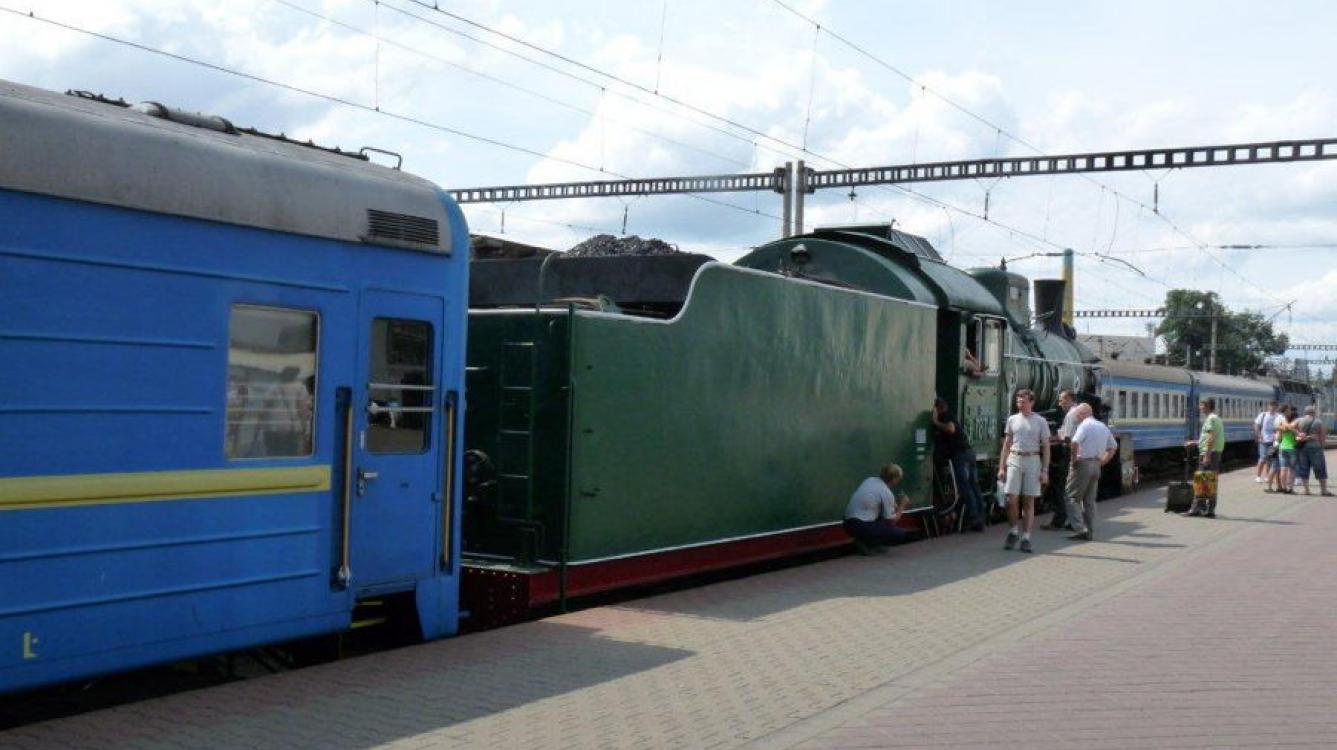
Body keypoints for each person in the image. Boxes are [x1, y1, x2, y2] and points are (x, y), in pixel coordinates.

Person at [996, 389, 1051, 553]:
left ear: (1032, 403)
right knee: (1010, 499)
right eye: (1018, 401)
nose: (1020, 404)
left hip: (1033, 459)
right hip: (1014, 458)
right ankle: (1013, 531)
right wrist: (1001, 467)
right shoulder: (1012, 419)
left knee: (1028, 501)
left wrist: (1045, 470)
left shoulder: (1040, 421)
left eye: (1024, 401)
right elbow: (1006, 444)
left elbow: (1046, 447)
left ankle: (1026, 537)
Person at [1062, 404, 1118, 541]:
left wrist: (1074, 459)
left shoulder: (1085, 425)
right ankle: (1090, 531)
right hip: (1096, 465)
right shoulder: (1102, 426)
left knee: (1071, 497)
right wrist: (1102, 462)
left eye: (1077, 415)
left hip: (1083, 463)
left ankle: (1080, 529)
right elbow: (1113, 447)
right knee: (1089, 501)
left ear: (1084, 413)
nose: (1076, 418)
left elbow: (1074, 442)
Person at [932, 398, 986, 532]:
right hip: (968, 453)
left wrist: (935, 422)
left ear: (937, 408)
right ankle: (981, 515)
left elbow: (950, 428)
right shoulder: (949, 415)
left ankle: (974, 517)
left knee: (965, 486)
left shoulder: (945, 416)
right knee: (973, 485)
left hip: (960, 455)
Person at [843, 463, 913, 553]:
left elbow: (872, 501)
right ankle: (869, 544)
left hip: (847, 523)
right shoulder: (886, 492)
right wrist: (902, 505)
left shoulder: (869, 480)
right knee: (899, 534)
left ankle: (866, 542)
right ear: (894, 479)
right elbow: (892, 521)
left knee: (879, 518)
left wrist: (893, 505)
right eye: (899, 479)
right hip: (862, 525)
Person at [1042, 389, 1080, 531]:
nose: (1059, 403)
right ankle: (1072, 520)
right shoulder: (1075, 413)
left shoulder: (1071, 414)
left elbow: (1066, 437)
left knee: (1060, 488)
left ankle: (1060, 520)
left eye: (1062, 400)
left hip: (1069, 453)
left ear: (1070, 399)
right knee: (1071, 490)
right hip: (1074, 453)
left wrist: (1044, 439)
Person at [1184, 397, 1225, 517]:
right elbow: (1208, 438)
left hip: (1210, 453)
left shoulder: (1211, 419)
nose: (1200, 408)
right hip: (1213, 452)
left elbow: (1211, 438)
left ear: (1207, 406)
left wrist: (1207, 455)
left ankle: (1196, 508)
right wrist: (1195, 442)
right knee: (1210, 480)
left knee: (1201, 480)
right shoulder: (1215, 418)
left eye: (1201, 406)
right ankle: (1209, 509)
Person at [1295, 405, 1333, 496]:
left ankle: (1306, 490)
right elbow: (1323, 435)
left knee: (1304, 468)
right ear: (1313, 413)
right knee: (1320, 468)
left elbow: (1290, 426)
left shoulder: (1299, 420)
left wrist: (1299, 434)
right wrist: (1322, 446)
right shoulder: (1319, 422)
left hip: (1302, 447)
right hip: (1315, 447)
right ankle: (1323, 490)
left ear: (1305, 412)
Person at [1275, 405, 1299, 495]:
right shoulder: (1296, 424)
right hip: (1292, 448)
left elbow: (1278, 437)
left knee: (1283, 469)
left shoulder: (1281, 425)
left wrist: (1283, 427)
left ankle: (1284, 488)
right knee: (1292, 469)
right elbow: (1298, 435)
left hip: (1282, 447)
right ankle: (1290, 488)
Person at [1253, 401, 1280, 483]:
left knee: (1270, 459)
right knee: (1262, 458)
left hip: (1273, 441)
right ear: (1269, 407)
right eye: (1272, 406)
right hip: (1264, 440)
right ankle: (1258, 476)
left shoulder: (1278, 416)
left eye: (1275, 406)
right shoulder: (1263, 415)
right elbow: (1256, 425)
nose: (1273, 408)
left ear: (1277, 407)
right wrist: (1259, 435)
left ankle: (1267, 476)